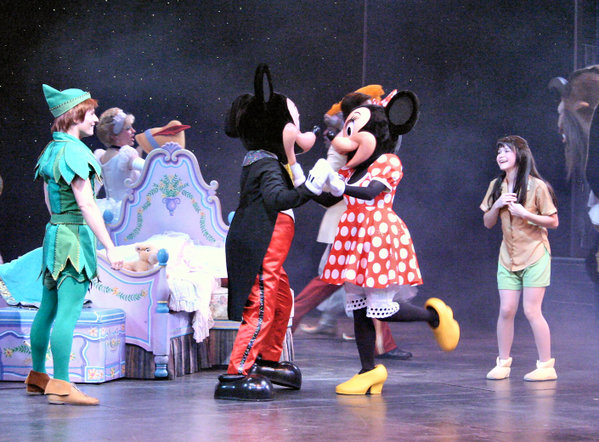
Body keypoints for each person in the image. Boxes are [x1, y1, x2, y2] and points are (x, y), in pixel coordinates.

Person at [308, 90, 460, 395]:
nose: (346, 137)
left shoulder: (388, 162)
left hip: (377, 234)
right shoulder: (351, 169)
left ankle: (434, 316)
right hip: (353, 236)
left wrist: (339, 185)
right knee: (359, 308)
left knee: (381, 307)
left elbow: (370, 192)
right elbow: (329, 199)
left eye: (354, 129)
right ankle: (369, 371)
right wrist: (308, 183)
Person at [294, 88, 413, 360]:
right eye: (370, 105)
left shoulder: (371, 141)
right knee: (335, 280)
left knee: (368, 283)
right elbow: (331, 181)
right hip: (346, 218)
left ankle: (381, 344)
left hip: (364, 219)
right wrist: (321, 183)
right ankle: (294, 314)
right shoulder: (345, 142)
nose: (375, 108)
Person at [24, 84, 123, 405]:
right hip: (74, 239)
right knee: (68, 311)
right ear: (75, 115)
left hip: (55, 234)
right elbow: (87, 203)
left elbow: (49, 201)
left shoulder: (51, 150)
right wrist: (109, 246)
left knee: (48, 308)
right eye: (91, 113)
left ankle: (38, 377)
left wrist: (60, 224)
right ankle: (62, 385)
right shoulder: (77, 152)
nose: (95, 119)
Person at [481, 135, 559, 381]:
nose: (501, 155)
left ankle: (546, 366)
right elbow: (487, 222)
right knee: (506, 310)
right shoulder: (496, 185)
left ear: (520, 155)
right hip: (508, 257)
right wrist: (497, 205)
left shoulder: (537, 186)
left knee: (532, 310)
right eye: (499, 151)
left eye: (507, 151)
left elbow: (553, 221)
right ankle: (503, 363)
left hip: (535, 254)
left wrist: (525, 214)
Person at [94, 107, 145, 223]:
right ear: (114, 136)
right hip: (128, 211)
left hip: (108, 211)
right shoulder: (126, 155)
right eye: (128, 128)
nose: (133, 131)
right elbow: (150, 168)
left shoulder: (101, 156)